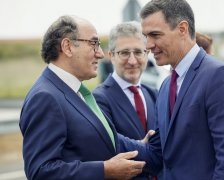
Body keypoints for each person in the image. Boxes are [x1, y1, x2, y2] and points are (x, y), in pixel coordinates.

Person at [19, 15, 150, 180]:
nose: (101, 54)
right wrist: (104, 170)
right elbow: (41, 172)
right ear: (67, 47)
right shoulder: (46, 97)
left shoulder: (75, 91)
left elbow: (102, 136)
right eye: (94, 44)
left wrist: (141, 147)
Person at [138, 0, 224, 179]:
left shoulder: (219, 76)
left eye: (155, 35)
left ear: (182, 29)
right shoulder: (166, 86)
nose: (148, 45)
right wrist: (106, 133)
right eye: (146, 36)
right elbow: (158, 153)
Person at [93, 21, 158, 179]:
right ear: (111, 56)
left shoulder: (155, 94)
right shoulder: (98, 99)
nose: (132, 61)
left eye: (138, 52)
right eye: (124, 53)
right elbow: (107, 149)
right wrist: (148, 150)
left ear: (147, 53)